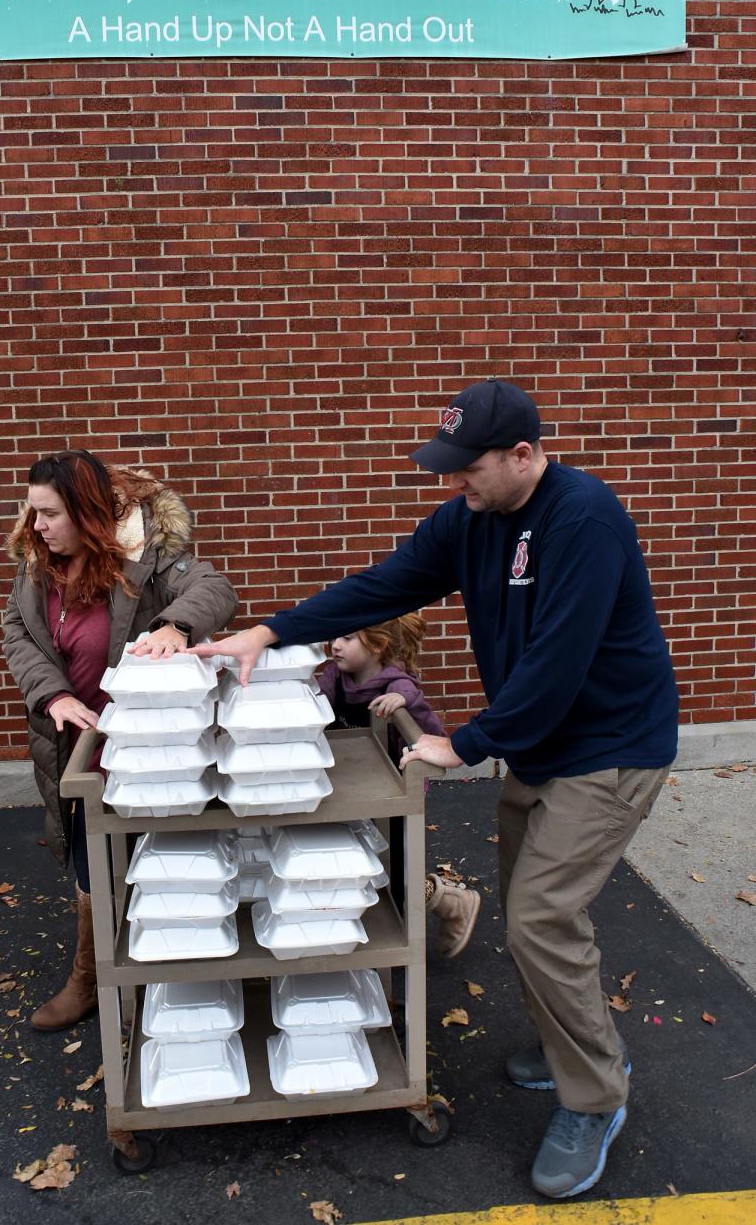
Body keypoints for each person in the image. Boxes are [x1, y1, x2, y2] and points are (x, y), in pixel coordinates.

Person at [193, 380, 678, 1201]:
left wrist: (465, 742)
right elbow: (386, 583)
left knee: (539, 913)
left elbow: (558, 664)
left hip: (609, 746)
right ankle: (576, 1042)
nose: (456, 482)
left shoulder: (583, 519)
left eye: (471, 467)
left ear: (524, 455)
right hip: (543, 744)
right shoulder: (473, 520)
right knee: (538, 910)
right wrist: (270, 629)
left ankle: (595, 1095)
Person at [2, 449, 237, 1032]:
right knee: (89, 859)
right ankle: (89, 977)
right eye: (33, 513)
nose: (38, 526)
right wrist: (53, 694)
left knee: (161, 857)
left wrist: (174, 626)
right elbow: (18, 631)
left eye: (50, 513)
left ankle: (170, 972)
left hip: (148, 745)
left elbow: (216, 589)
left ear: (86, 512)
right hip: (74, 745)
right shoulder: (38, 563)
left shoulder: (148, 560)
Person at [318, 613, 480, 957]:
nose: (336, 645)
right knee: (363, 859)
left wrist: (403, 700)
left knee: (396, 870)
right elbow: (320, 707)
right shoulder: (335, 677)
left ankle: (451, 903)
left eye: (347, 638)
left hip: (395, 788)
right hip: (357, 785)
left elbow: (414, 703)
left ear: (377, 646)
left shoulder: (394, 683)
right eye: (335, 638)